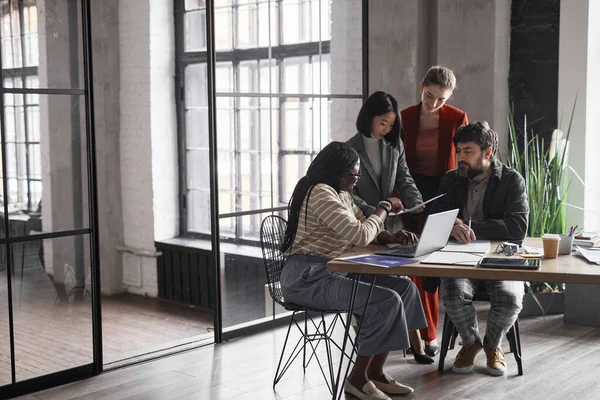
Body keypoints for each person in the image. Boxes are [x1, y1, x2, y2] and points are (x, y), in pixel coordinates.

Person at [280, 141, 427, 400]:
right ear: (339, 172)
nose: (357, 180)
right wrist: (383, 208)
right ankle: (357, 379)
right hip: (307, 278)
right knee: (384, 300)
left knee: (404, 287)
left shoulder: (342, 194)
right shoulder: (320, 193)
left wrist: (389, 237)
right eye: (354, 174)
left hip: (335, 270)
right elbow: (359, 234)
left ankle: (377, 373)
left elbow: (363, 225)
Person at [429, 121, 529, 376]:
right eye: (459, 151)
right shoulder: (451, 180)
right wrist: (451, 224)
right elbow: (436, 216)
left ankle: (492, 345)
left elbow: (517, 227)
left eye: (468, 151)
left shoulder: (511, 180)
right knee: (451, 295)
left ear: (487, 153)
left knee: (510, 299)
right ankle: (471, 343)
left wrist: (470, 225)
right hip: (459, 258)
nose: (461, 158)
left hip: (502, 259)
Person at [346, 91, 433, 364]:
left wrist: (416, 202)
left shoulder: (394, 146)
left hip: (393, 226)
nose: (387, 128)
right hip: (363, 227)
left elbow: (404, 178)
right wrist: (378, 210)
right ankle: (380, 347)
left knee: (403, 281)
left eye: (391, 124)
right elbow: (349, 196)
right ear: (368, 118)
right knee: (378, 283)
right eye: (383, 122)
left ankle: (415, 344)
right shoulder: (349, 150)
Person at [400, 65, 468, 357]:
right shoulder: (405, 117)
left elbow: (463, 161)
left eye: (441, 99)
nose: (434, 103)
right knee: (410, 263)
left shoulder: (456, 118)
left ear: (449, 96)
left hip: (441, 194)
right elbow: (398, 165)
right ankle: (414, 332)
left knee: (429, 267)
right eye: (429, 96)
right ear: (421, 87)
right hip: (409, 193)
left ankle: (429, 334)